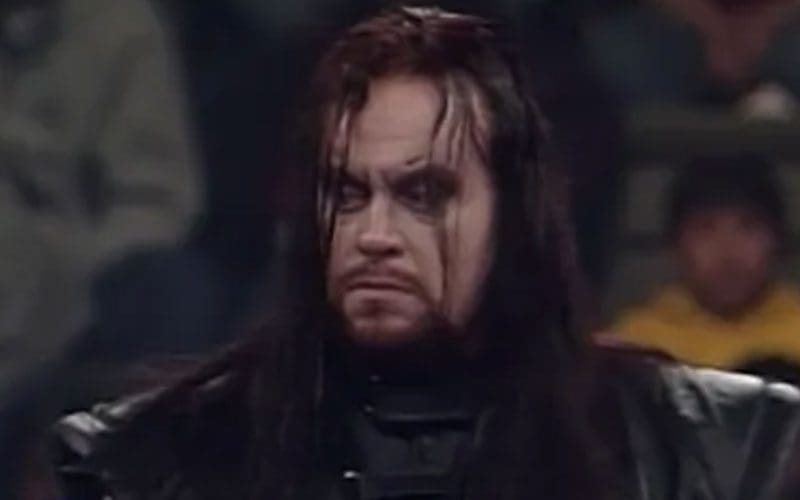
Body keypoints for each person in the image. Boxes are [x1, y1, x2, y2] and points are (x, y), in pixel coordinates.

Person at [52, 7, 800, 499]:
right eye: (347, 194)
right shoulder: (167, 457)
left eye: (423, 196)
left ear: (512, 219)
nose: (373, 233)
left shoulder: (698, 447)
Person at [614, 156, 800, 372]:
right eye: (705, 228)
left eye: (748, 227)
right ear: (674, 244)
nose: (729, 251)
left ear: (778, 242)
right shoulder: (636, 342)